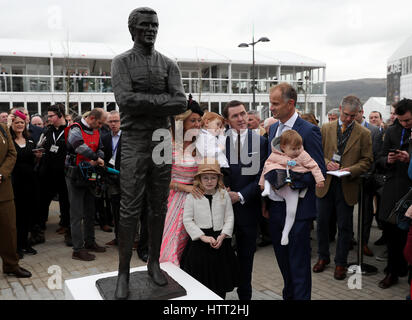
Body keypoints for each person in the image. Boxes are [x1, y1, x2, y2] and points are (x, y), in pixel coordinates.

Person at [111, 7, 187, 299]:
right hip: (134, 139)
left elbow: (180, 102)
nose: (151, 29)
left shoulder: (169, 64)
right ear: (133, 30)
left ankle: (154, 262)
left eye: (155, 25)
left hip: (161, 139)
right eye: (145, 25)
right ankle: (123, 273)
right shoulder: (121, 62)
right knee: (129, 207)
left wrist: (149, 103)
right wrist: (162, 101)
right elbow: (125, 100)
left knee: (159, 205)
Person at [265, 83, 325, 300]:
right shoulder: (272, 128)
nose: (271, 107)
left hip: (299, 212)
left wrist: (290, 181)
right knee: (284, 266)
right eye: (270, 102)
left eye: (275, 103)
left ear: (291, 103)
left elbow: (319, 168)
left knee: (298, 268)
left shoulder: (309, 130)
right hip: (276, 209)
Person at [314, 95, 373, 281]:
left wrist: (351, 169)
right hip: (326, 184)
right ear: (340, 109)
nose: (349, 119)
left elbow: (367, 160)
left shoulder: (364, 133)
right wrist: (326, 163)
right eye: (346, 114)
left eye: (353, 116)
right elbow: (315, 154)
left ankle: (341, 263)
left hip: (347, 185)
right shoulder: (325, 128)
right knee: (322, 223)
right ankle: (323, 257)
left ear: (358, 113)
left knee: (345, 226)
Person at [223, 100, 267, 300]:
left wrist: (239, 196)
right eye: (235, 116)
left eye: (243, 114)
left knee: (246, 257)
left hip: (247, 208)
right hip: (221, 210)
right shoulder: (217, 141)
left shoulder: (261, 142)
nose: (241, 119)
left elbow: (261, 176)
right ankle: (219, 295)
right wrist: (224, 193)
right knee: (220, 256)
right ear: (227, 120)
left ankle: (245, 297)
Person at [181, 159, 239, 299]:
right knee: (199, 283)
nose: (209, 181)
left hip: (220, 243)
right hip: (199, 245)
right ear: (199, 179)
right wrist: (202, 236)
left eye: (213, 178)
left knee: (220, 282)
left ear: (218, 179)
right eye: (205, 178)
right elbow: (188, 219)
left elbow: (229, 217)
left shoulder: (224, 195)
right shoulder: (192, 197)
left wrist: (223, 235)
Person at [260, 130, 325, 245]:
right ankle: (267, 189)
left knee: (292, 211)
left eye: (299, 147)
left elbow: (314, 166)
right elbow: (265, 169)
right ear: (283, 147)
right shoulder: (275, 154)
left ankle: (285, 233)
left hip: (292, 188)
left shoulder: (303, 154)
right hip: (276, 187)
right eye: (293, 149)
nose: (297, 151)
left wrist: (319, 179)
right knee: (269, 168)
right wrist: (262, 183)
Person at [160, 98, 204, 266]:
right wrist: (185, 187)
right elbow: (160, 179)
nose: (198, 124)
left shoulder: (200, 145)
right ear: (181, 123)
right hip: (172, 201)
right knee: (171, 242)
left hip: (196, 200)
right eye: (193, 120)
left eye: (199, 120)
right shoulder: (167, 145)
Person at [375, 98, 412, 289]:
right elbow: (379, 159)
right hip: (392, 186)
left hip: (410, 188)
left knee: (407, 234)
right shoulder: (391, 130)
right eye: (401, 120)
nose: (404, 124)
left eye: (407, 120)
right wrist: (388, 160)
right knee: (391, 232)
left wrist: (409, 159)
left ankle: (404, 268)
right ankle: (392, 271)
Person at [65, 108, 107, 261]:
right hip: (75, 173)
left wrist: (98, 157)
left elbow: (101, 148)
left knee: (90, 209)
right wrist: (95, 157)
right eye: (100, 123)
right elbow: (78, 146)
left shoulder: (96, 130)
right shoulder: (75, 128)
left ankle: (90, 242)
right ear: (92, 118)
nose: (101, 126)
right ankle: (77, 249)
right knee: (77, 213)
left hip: (90, 173)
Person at [9, 110, 43, 258]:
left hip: (30, 182)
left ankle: (25, 243)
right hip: (15, 182)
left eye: (22, 122)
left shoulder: (30, 141)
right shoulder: (9, 142)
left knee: (28, 214)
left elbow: (33, 161)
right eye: (16, 122)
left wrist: (38, 157)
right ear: (12, 124)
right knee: (17, 215)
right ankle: (16, 246)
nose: (19, 125)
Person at [0, 121, 32, 278]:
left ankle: (11, 265)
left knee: (9, 230)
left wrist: (2, 173)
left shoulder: (3, 128)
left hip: (3, 190)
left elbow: (12, 153)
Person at [36, 104, 71, 246]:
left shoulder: (71, 130)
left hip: (64, 174)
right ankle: (39, 228)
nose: (48, 118)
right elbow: (42, 147)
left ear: (60, 115)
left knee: (66, 202)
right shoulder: (47, 131)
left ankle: (67, 227)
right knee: (43, 201)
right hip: (48, 173)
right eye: (48, 116)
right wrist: (40, 154)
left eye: (51, 116)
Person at [354, 105, 383, 257]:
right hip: (347, 178)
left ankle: (363, 242)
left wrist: (366, 174)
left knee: (365, 213)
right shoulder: (346, 128)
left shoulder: (374, 131)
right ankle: (348, 240)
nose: (352, 116)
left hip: (365, 179)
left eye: (355, 113)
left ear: (361, 113)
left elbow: (375, 156)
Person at [102, 110, 122, 246]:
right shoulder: (104, 137)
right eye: (111, 121)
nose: (113, 124)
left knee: (128, 210)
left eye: (116, 121)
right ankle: (118, 238)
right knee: (115, 209)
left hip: (126, 178)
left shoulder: (128, 137)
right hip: (111, 178)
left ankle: (132, 239)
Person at [196, 111, 230, 185]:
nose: (218, 128)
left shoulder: (211, 136)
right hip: (215, 169)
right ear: (207, 123)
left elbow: (221, 145)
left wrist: (221, 135)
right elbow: (206, 154)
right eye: (217, 124)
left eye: (220, 126)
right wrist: (220, 148)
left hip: (222, 168)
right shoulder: (202, 136)